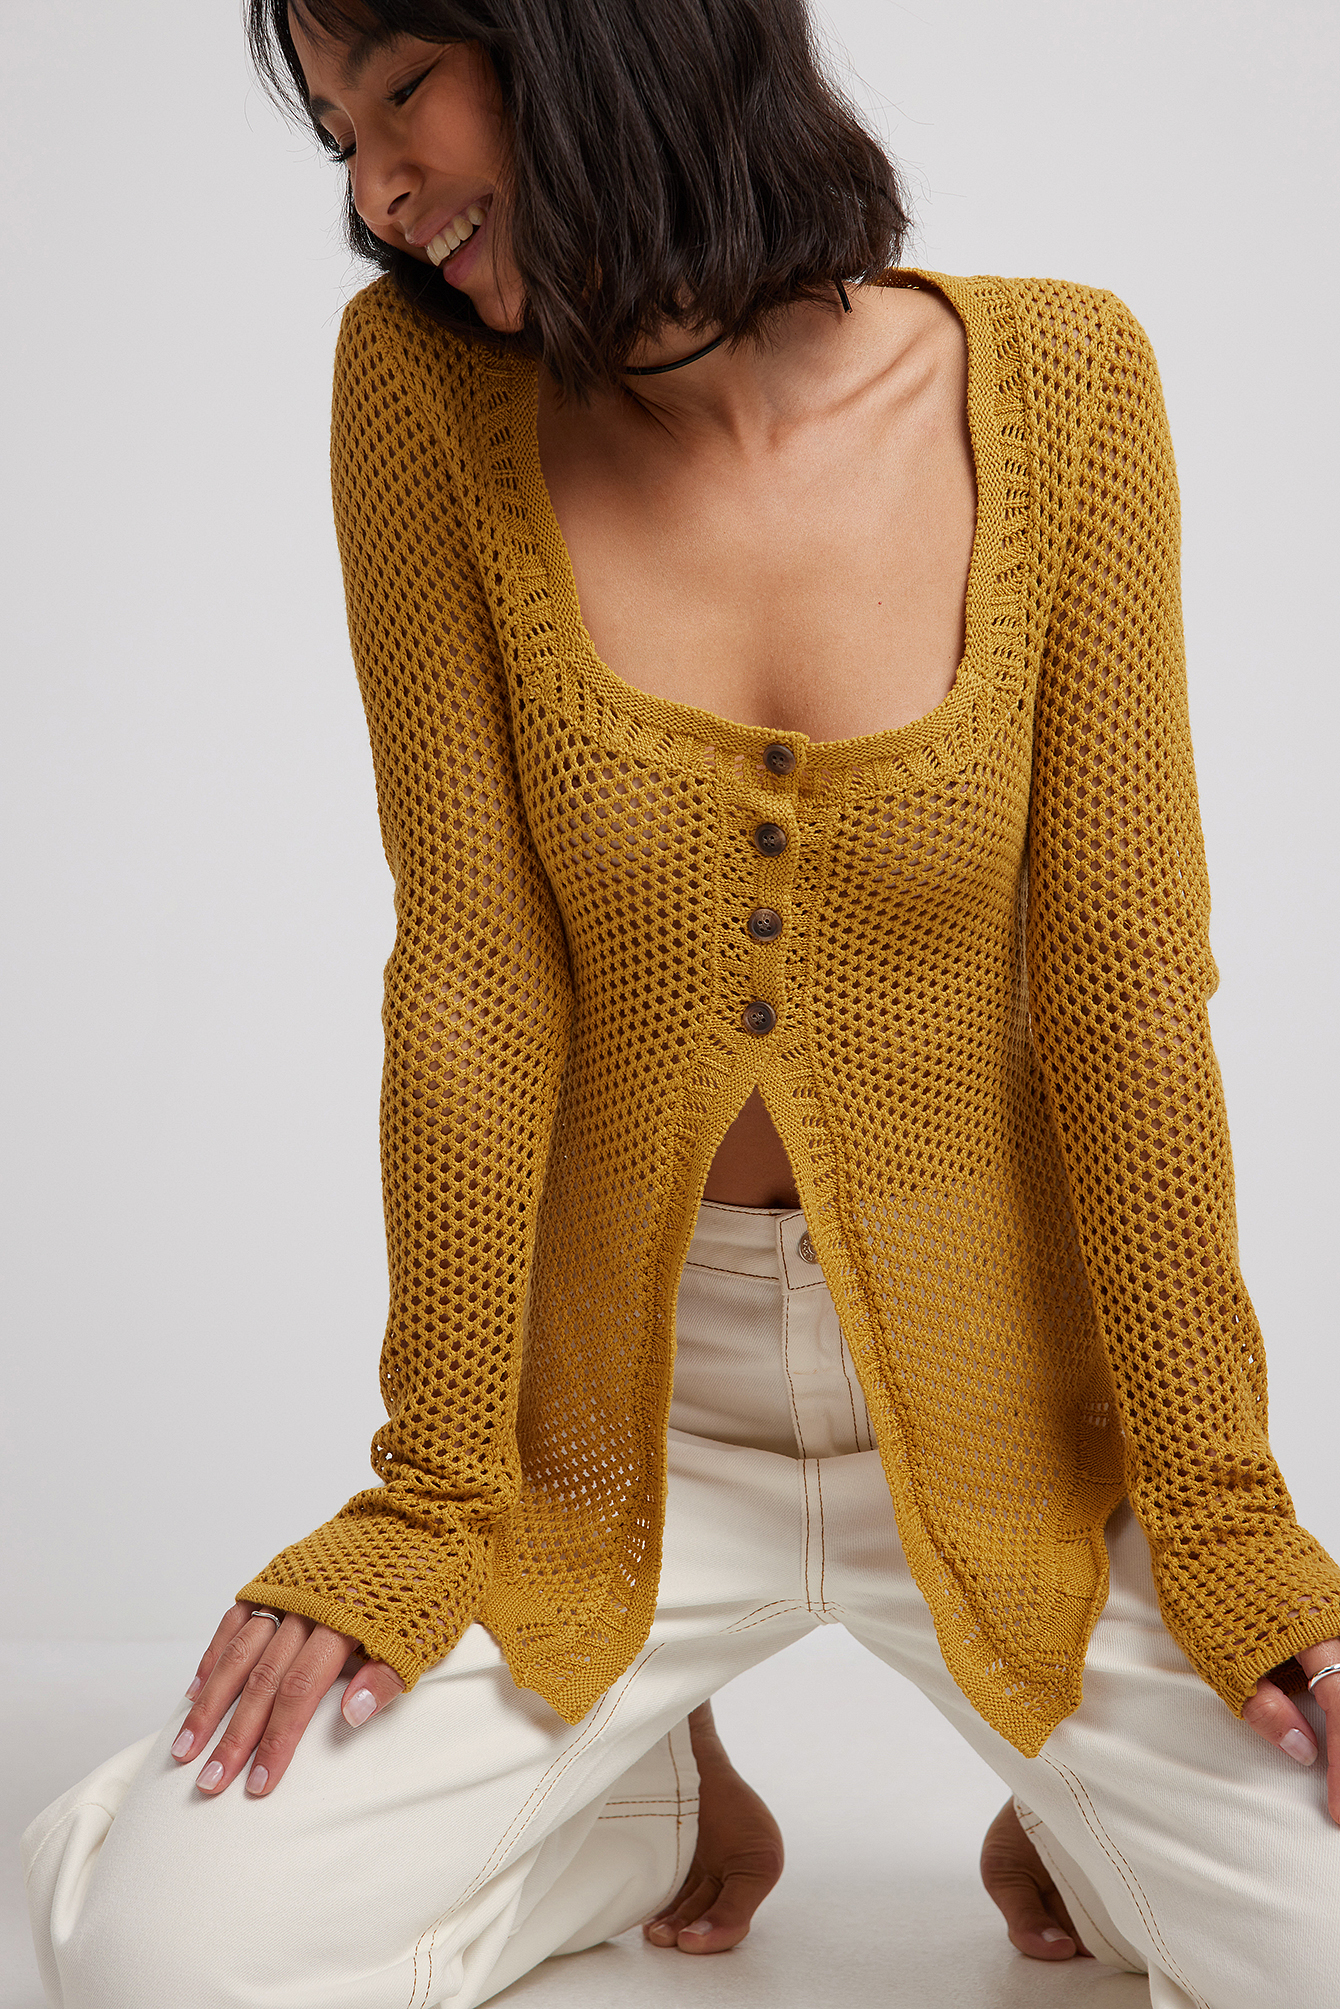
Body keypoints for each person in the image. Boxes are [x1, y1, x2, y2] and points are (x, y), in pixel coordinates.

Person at [22, 2, 1340, 2005]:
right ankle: (638, 1798)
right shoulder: (420, 393)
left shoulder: (1066, 382)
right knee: (162, 1964)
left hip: (1013, 1417)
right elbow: (470, 969)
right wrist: (429, 1492)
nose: (377, 188)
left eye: (403, 86)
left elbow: (1122, 981)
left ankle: (1077, 1806)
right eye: (338, 133)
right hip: (604, 1431)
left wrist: (1228, 1520)